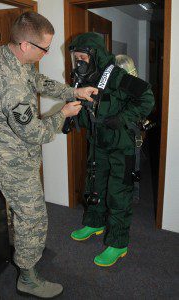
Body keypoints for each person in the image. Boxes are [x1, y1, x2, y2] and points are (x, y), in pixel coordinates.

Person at [0, 12, 97, 298]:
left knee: (23, 215)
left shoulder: (6, 54)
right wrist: (63, 114)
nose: (45, 53)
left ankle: (25, 254)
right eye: (44, 48)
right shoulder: (9, 84)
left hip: (15, 152)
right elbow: (34, 133)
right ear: (25, 46)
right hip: (13, 161)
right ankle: (28, 279)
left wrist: (74, 92)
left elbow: (38, 81)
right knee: (33, 218)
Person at [69, 32, 155, 267]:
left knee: (118, 191)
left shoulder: (116, 75)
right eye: (75, 57)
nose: (79, 62)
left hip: (121, 144)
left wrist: (123, 118)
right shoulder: (85, 78)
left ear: (95, 55)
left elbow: (147, 97)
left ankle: (118, 244)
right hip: (98, 142)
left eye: (82, 57)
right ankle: (95, 222)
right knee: (95, 183)